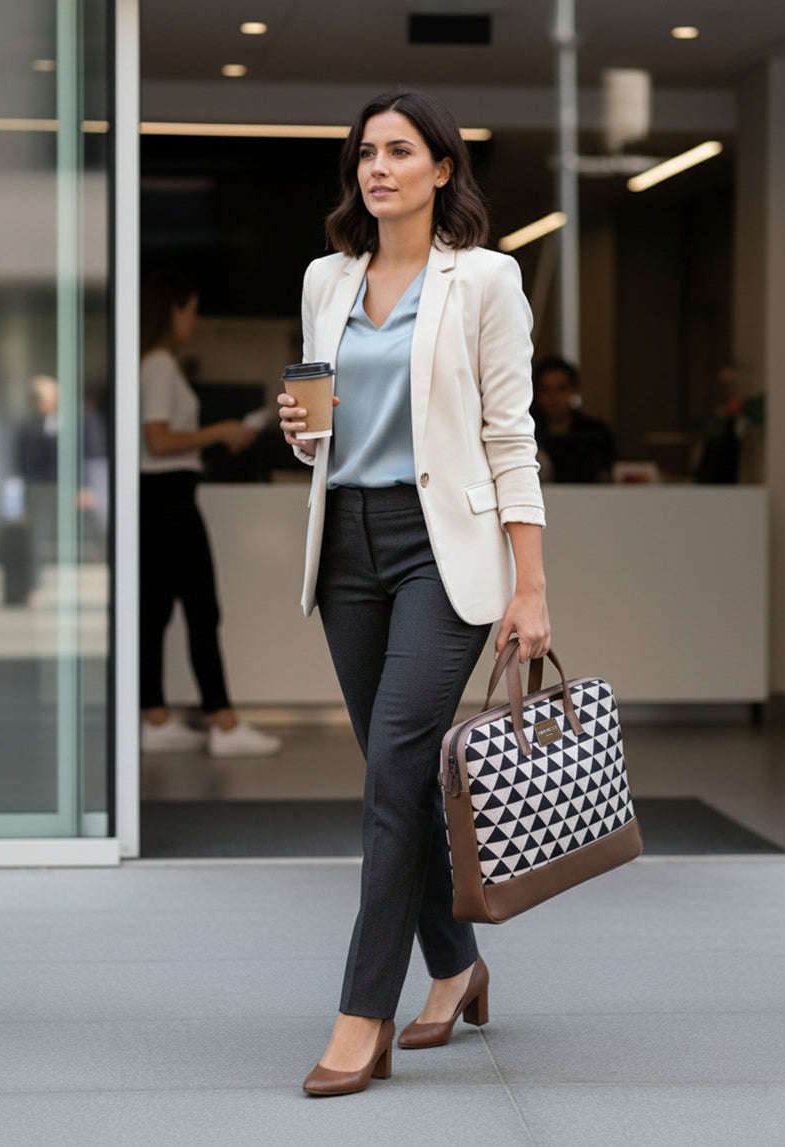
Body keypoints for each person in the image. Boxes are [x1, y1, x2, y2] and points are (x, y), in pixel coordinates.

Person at [278, 90, 550, 1097]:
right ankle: (455, 964)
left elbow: (509, 437)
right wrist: (303, 430)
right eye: (364, 154)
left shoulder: (483, 279)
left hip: (442, 551)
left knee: (391, 775)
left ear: (441, 169)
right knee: (403, 780)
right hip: (345, 543)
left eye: (398, 152)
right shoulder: (326, 278)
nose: (376, 168)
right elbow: (318, 422)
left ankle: (360, 1015)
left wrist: (530, 587)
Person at [139, 271, 281, 757]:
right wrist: (220, 431)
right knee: (201, 609)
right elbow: (157, 441)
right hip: (169, 497)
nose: (194, 319)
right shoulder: (158, 364)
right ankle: (223, 724)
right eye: (191, 309)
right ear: (172, 309)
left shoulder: (149, 363)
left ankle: (155, 717)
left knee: (155, 612)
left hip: (156, 497)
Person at [531, 355, 616, 483]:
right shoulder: (527, 433)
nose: (554, 397)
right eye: (546, 390)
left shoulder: (595, 434)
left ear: (574, 389)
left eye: (561, 388)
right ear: (536, 392)